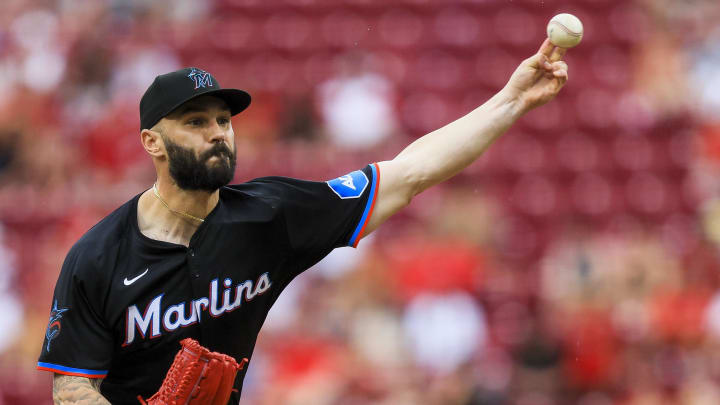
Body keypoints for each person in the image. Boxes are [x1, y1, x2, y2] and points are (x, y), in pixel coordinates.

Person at [38, 39, 569, 405]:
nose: (218, 132)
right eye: (196, 122)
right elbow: (71, 388)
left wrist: (513, 99)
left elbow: (407, 174)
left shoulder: (272, 216)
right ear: (152, 141)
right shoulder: (98, 257)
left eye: (224, 119)